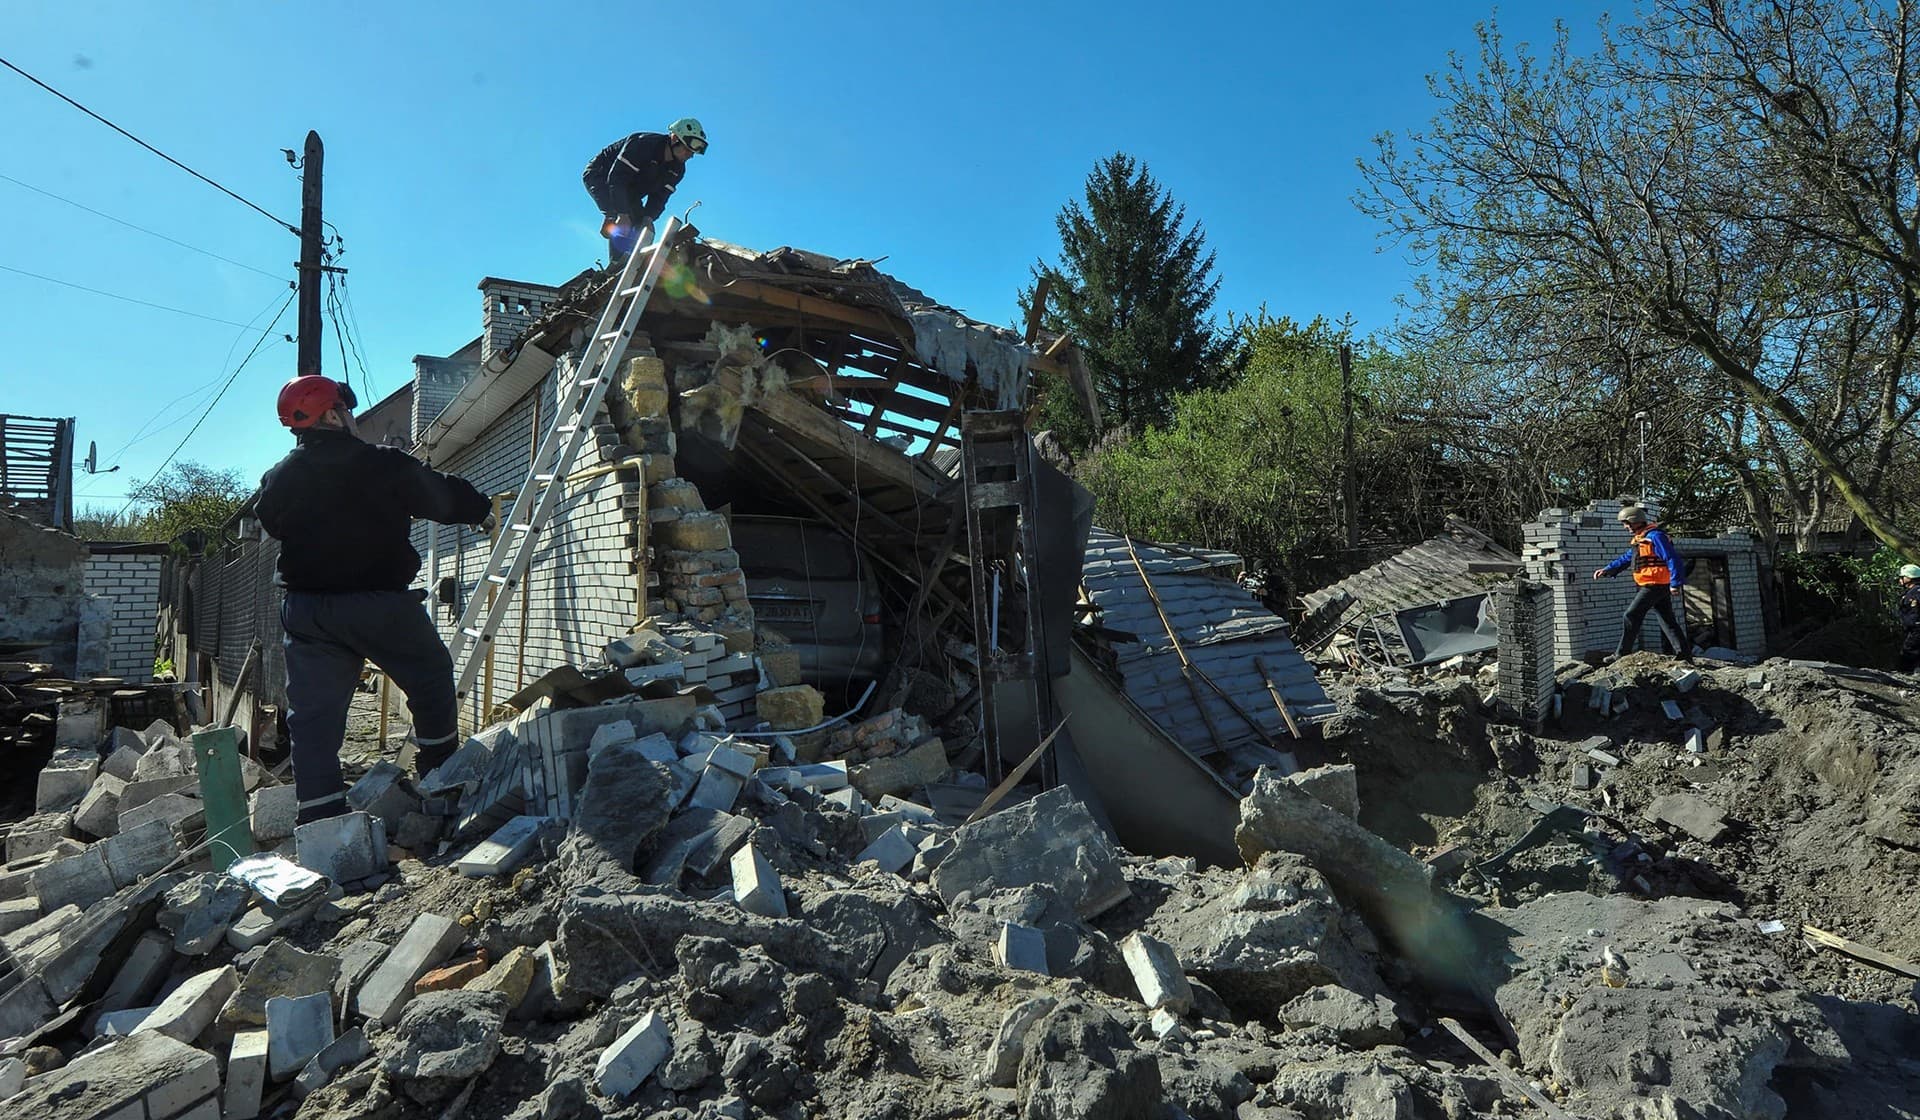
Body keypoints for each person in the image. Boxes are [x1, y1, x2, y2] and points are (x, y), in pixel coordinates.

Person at [257, 374, 493, 824]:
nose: (350, 415)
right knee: (430, 677)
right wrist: (482, 511)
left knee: (314, 720)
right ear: (331, 414)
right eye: (345, 408)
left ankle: (322, 821)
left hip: (307, 613)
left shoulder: (280, 477)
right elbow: (440, 496)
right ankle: (440, 777)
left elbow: (273, 523)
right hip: (378, 606)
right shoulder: (381, 464)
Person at [582, 117, 708, 266]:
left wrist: (649, 218)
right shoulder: (644, 144)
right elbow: (617, 179)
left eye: (692, 152)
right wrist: (621, 214)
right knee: (623, 217)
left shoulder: (678, 169)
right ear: (674, 138)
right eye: (687, 149)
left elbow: (660, 198)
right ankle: (616, 262)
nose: (690, 155)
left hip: (631, 190)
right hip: (602, 176)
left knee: (640, 221)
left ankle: (633, 259)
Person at [1592, 503, 1691, 663]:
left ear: (1636, 521)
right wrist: (1608, 569)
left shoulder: (1655, 537)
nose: (1625, 527)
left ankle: (1621, 654)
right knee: (1667, 620)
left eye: (1626, 523)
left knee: (1631, 615)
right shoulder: (1641, 539)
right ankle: (1685, 655)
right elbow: (1627, 558)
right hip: (1654, 584)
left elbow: (1673, 559)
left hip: (1655, 584)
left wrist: (1675, 582)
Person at [1896, 564, 1920, 672]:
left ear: (1909, 578)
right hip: (1913, 629)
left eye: (1902, 577)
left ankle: (1905, 675)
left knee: (1908, 652)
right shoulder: (1911, 592)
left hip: (1917, 630)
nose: (1900, 579)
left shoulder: (1916, 592)